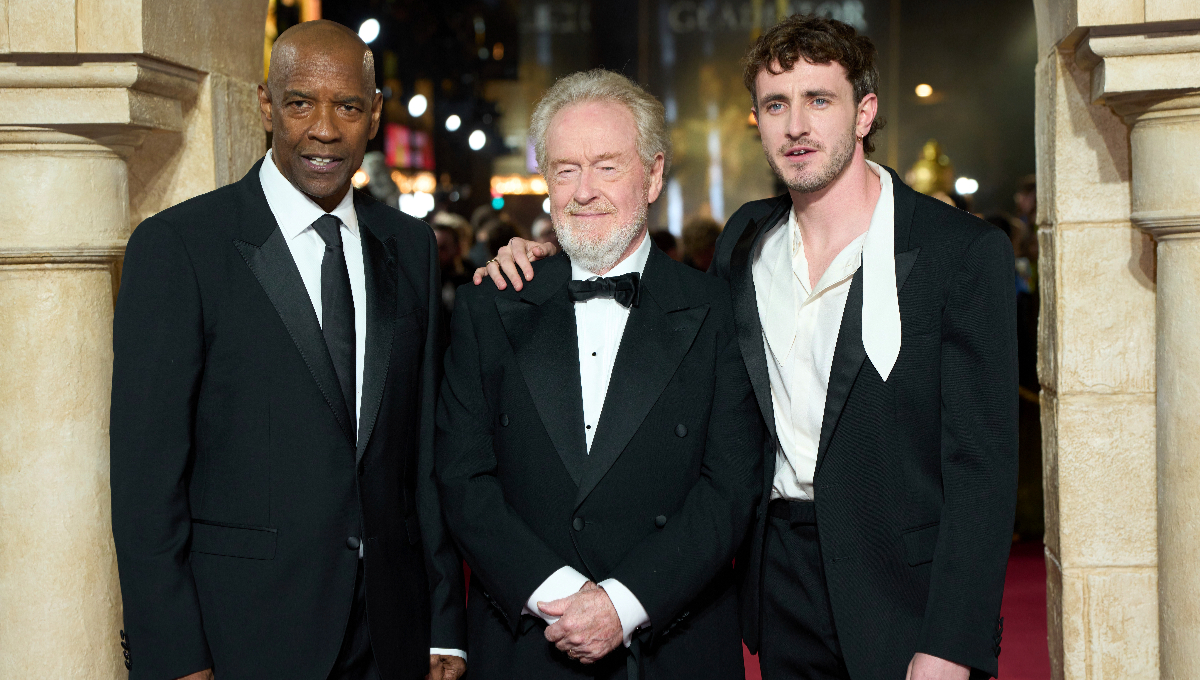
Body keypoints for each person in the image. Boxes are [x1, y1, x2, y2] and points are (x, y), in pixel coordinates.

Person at [475, 14, 1017, 680]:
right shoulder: (745, 241)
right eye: (776, 104)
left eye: (820, 100)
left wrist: (951, 644)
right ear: (756, 119)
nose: (797, 125)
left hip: (901, 591)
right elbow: (650, 297)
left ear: (864, 111)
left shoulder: (957, 254)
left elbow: (983, 473)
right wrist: (553, 251)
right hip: (777, 581)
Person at [110, 20, 466, 680]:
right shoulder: (181, 248)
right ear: (266, 105)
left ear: (375, 114)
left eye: (348, 106)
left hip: (392, 636)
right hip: (243, 638)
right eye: (301, 102)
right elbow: (144, 483)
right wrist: (176, 656)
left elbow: (421, 454)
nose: (324, 129)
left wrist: (445, 623)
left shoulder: (409, 248)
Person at [437, 68, 763, 680]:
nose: (584, 190)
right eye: (565, 169)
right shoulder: (491, 303)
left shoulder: (718, 309)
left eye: (608, 166)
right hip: (526, 642)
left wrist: (623, 604)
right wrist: (558, 595)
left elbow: (730, 488)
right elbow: (461, 477)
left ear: (654, 175)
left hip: (673, 642)